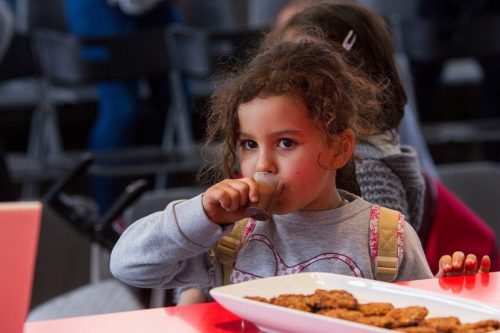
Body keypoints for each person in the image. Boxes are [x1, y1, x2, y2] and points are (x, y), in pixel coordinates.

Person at [111, 41, 434, 295]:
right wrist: (204, 215)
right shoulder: (230, 236)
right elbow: (129, 266)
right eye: (249, 145)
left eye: (285, 143)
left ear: (339, 149)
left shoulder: (387, 237)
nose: (262, 165)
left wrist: (449, 287)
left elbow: (425, 316)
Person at [63, 0, 182, 214]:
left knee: (177, 100)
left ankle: (164, 211)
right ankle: (106, 212)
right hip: (100, 6)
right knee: (121, 109)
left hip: (153, 7)